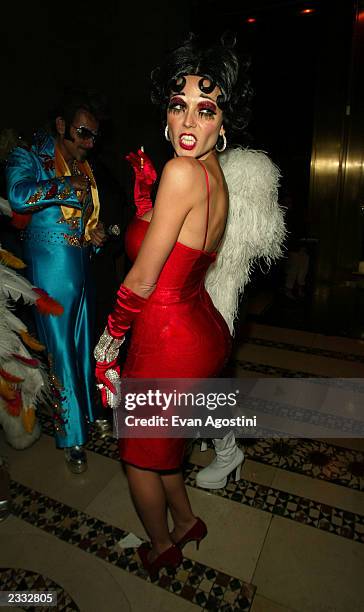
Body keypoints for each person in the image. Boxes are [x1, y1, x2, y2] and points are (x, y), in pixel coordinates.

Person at [94, 33, 284, 578]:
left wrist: (107, 345)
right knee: (163, 447)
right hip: (198, 327)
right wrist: (144, 194)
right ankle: (185, 522)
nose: (188, 123)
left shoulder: (183, 173)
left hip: (167, 336)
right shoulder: (207, 174)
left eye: (206, 110)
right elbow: (169, 235)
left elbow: (144, 278)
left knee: (136, 456)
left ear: (223, 124)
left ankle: (160, 546)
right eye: (180, 106)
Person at [6, 89, 109, 474]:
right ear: (62, 126)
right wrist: (64, 189)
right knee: (61, 353)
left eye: (93, 136)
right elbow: (18, 196)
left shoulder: (83, 168)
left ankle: (85, 416)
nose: (88, 143)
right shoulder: (28, 155)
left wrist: (93, 236)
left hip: (80, 270)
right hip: (49, 273)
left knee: (83, 348)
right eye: (82, 133)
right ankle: (70, 436)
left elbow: (79, 223)